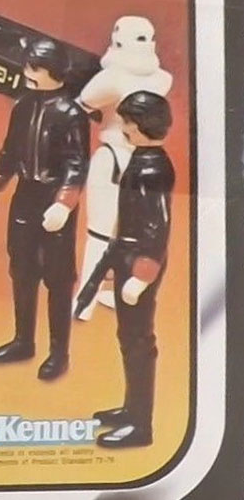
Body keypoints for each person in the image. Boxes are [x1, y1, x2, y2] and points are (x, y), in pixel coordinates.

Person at [0, 38, 89, 380]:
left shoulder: (71, 114)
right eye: (27, 65)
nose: (27, 72)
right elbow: (9, 151)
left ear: (54, 71)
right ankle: (23, 341)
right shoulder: (23, 106)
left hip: (53, 198)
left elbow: (77, 164)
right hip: (25, 194)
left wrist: (63, 204)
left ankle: (59, 353)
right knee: (21, 268)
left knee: (58, 277)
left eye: (35, 67)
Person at [84, 91, 175, 449]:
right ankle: (131, 409)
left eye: (128, 122)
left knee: (138, 342)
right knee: (129, 338)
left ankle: (140, 425)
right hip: (128, 255)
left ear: (142, 125)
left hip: (141, 260)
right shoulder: (142, 159)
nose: (123, 128)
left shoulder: (153, 168)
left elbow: (157, 228)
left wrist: (142, 274)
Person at [75, 16, 173, 319]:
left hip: (120, 158)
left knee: (106, 234)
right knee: (128, 233)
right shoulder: (162, 78)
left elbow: (82, 104)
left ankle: (90, 301)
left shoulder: (111, 78)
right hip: (138, 158)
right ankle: (98, 298)